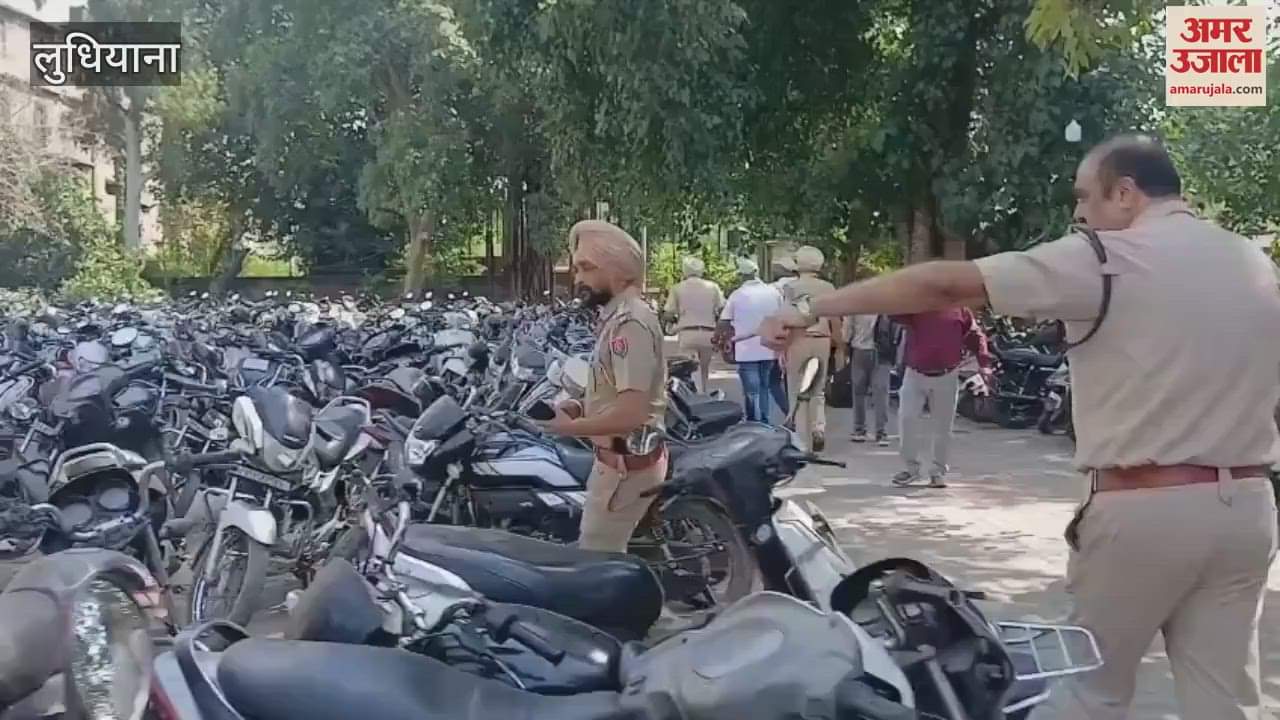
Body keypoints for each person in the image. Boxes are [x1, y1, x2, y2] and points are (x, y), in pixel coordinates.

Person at [756, 134, 1280, 720]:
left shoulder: (1108, 257)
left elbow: (943, 285)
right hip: (1247, 509)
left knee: (1091, 691)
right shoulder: (1252, 263)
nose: (1080, 214)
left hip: (1145, 510)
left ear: (1126, 193)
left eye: (1086, 197)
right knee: (1227, 701)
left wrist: (812, 310)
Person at [545, 220, 668, 553]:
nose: (578, 278)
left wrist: (569, 427)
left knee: (598, 566)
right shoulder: (616, 318)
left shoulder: (629, 324)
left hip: (624, 469)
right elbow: (613, 391)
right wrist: (580, 407)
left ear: (618, 271)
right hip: (616, 463)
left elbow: (631, 412)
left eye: (586, 268)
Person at [890, 307, 992, 488]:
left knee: (943, 427)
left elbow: (976, 337)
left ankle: (937, 472)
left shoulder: (961, 311)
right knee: (907, 418)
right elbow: (893, 313)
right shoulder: (916, 305)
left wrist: (984, 363)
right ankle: (911, 469)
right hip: (915, 373)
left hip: (947, 374)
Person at [781, 246, 837, 452]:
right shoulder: (828, 288)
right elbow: (835, 319)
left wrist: (782, 349)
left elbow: (785, 319)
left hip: (798, 340)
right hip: (822, 340)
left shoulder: (791, 288)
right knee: (818, 389)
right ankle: (818, 428)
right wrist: (838, 346)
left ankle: (801, 440)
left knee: (797, 390)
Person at [719, 258, 783, 423]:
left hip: (745, 349)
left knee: (752, 389)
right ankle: (765, 421)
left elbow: (724, 320)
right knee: (764, 386)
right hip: (770, 348)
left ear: (741, 276)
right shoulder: (773, 292)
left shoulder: (737, 295)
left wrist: (724, 339)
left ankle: (754, 421)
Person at [663, 256, 725, 393]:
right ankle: (703, 394)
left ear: (685, 270)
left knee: (688, 370)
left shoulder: (677, 288)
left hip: (687, 333)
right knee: (704, 370)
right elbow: (722, 310)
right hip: (708, 333)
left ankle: (692, 398)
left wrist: (673, 322)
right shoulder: (713, 287)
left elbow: (668, 313)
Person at [843, 312, 897, 446]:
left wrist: (845, 344)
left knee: (859, 392)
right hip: (882, 351)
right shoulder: (885, 302)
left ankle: (859, 430)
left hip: (860, 351)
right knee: (881, 393)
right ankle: (881, 433)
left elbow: (847, 331)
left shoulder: (856, 304)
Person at [768, 253, 797, 417]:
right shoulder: (806, 286)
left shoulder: (772, 289)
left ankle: (789, 412)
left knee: (774, 380)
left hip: (782, 336)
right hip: (807, 337)